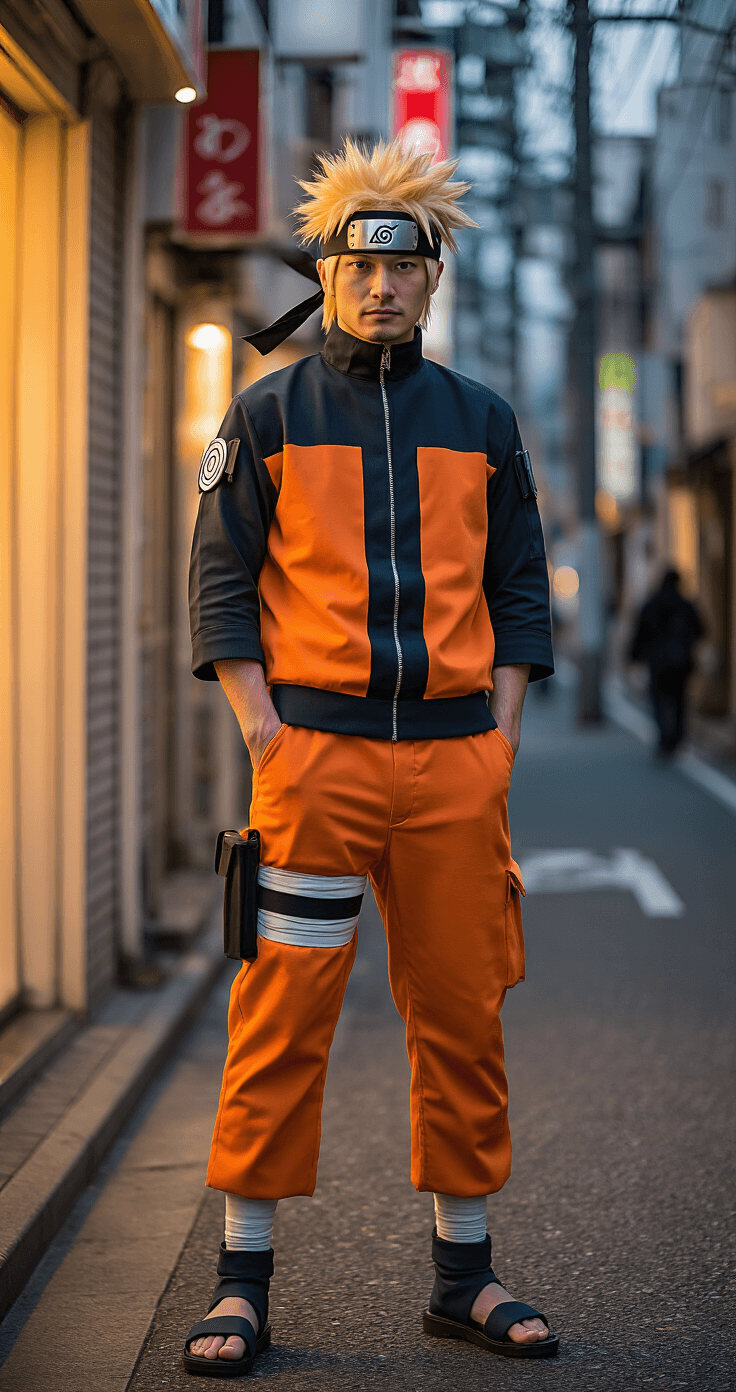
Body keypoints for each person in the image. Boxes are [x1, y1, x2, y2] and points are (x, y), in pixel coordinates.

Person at [182, 139, 557, 1377]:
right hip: (315, 765)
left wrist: (500, 737)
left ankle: (465, 1276)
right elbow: (221, 583)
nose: (381, 287)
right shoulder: (269, 414)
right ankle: (241, 1282)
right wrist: (265, 732)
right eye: (358, 267)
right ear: (328, 276)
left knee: (461, 1014)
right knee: (281, 1013)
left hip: (455, 768)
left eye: (402, 269)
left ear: (431, 278)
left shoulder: (482, 421)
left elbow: (518, 588)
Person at [630, 568, 703, 757]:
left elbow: (640, 633)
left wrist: (633, 656)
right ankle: (677, 737)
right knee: (679, 699)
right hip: (681, 662)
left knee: (658, 699)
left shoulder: (652, 604)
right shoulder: (686, 605)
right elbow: (701, 630)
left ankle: (664, 736)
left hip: (658, 662)